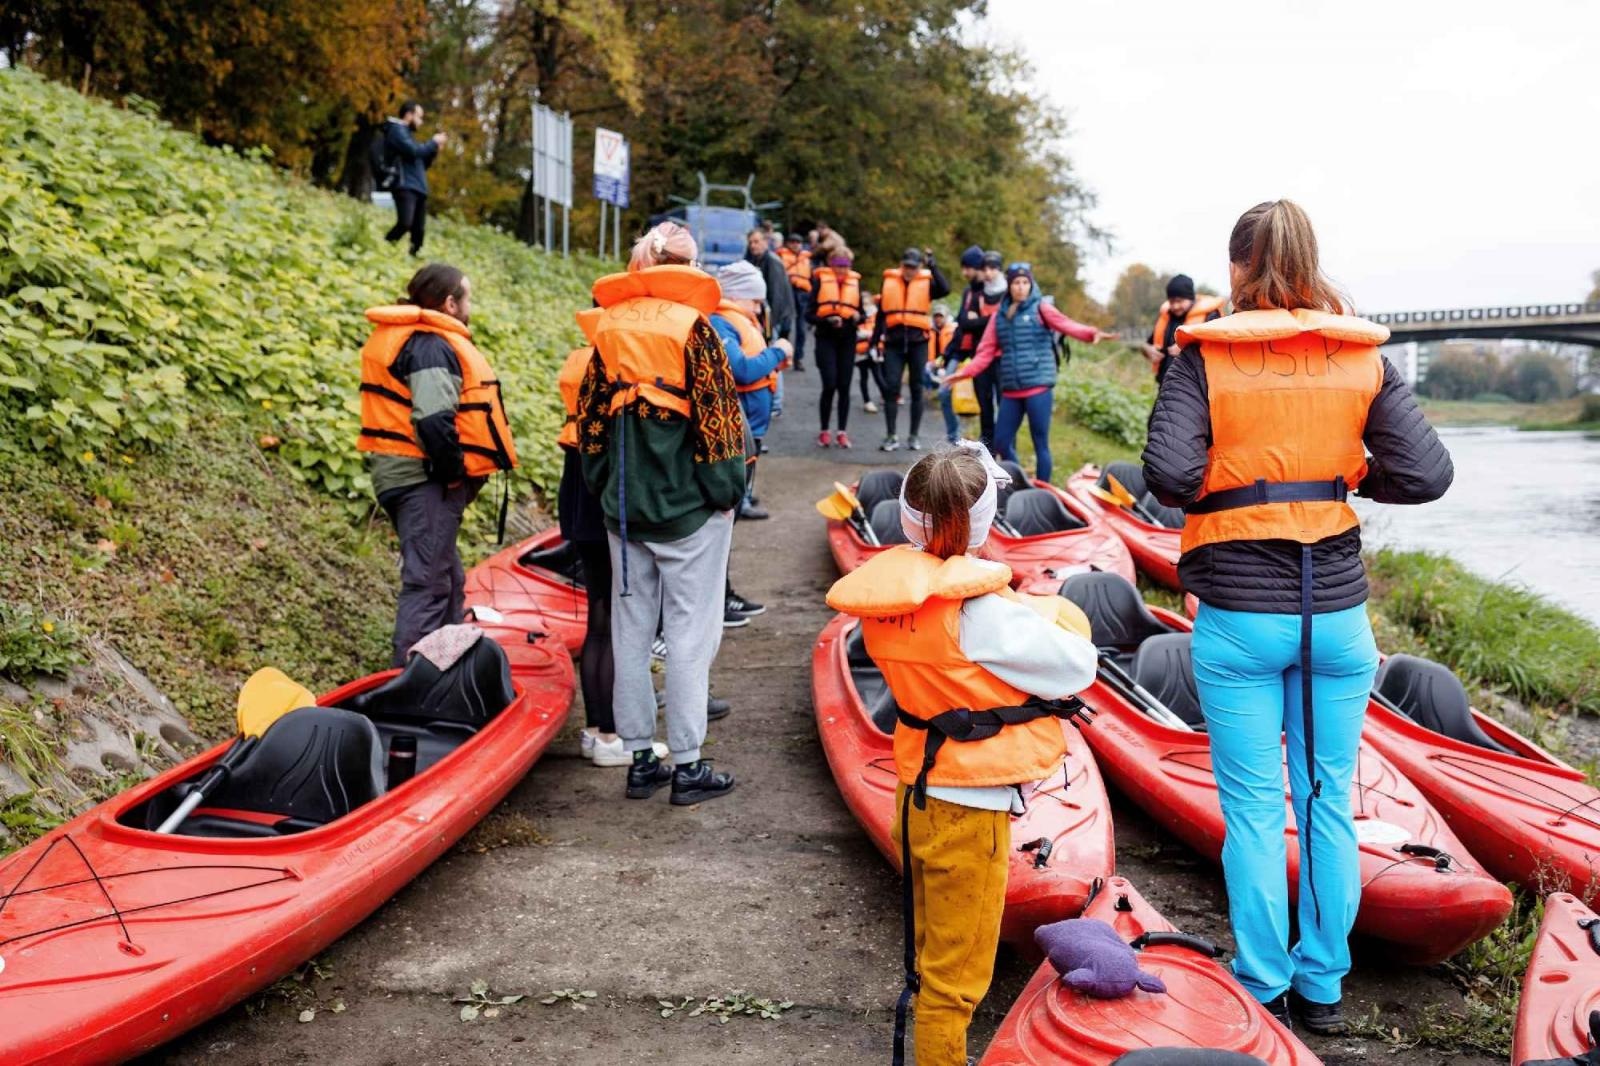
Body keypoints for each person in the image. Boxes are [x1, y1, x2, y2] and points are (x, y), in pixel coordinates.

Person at [1141, 199, 1454, 1033]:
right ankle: (1323, 987)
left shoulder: (1201, 356)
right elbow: (1426, 474)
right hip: (1337, 619)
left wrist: (1241, 484)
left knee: (1250, 805)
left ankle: (1263, 978)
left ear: (1239, 266)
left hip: (1241, 613)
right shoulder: (1363, 360)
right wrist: (1342, 479)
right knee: (1325, 798)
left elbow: (1168, 474)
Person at [825, 444, 1098, 1066]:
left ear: (906, 519)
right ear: (985, 523)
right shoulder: (987, 614)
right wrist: (1054, 610)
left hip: (916, 792)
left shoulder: (889, 599)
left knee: (932, 956)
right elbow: (1075, 668)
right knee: (957, 981)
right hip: (969, 813)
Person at [576, 221, 746, 805]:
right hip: (687, 514)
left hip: (623, 515)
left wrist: (603, 490)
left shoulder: (609, 327)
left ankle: (641, 759)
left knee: (629, 633)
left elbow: (590, 426)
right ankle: (690, 764)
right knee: (689, 636)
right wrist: (727, 494)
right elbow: (720, 422)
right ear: (685, 267)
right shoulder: (692, 328)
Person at [358, 263, 518, 666]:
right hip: (420, 477)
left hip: (408, 474)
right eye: (467, 297)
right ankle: (409, 683)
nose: (469, 306)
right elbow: (432, 418)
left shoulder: (419, 340)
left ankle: (448, 670)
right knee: (429, 583)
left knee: (448, 579)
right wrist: (451, 473)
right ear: (450, 303)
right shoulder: (429, 344)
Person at [556, 317, 673, 766]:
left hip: (576, 493)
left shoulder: (580, 359)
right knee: (611, 621)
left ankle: (594, 731)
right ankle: (611, 737)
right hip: (600, 496)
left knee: (598, 619)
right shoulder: (614, 366)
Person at [941, 263, 1116, 483]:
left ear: (1030, 285)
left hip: (1038, 388)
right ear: (1010, 286)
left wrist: (1092, 334)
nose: (1021, 287)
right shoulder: (999, 317)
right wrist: (963, 373)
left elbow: (1067, 325)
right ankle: (1020, 481)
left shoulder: (1041, 308)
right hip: (1012, 391)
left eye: (1025, 282)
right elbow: (985, 352)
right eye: (1016, 282)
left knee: (1040, 442)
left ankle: (1043, 490)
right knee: (1002, 443)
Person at [711, 259, 792, 521]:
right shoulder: (721, 322)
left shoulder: (743, 319)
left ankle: (744, 493)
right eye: (755, 301)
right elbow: (741, 370)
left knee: (751, 453)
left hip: (754, 413)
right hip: (741, 411)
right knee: (742, 455)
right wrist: (778, 351)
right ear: (736, 295)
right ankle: (738, 500)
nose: (758, 308)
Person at [869, 248, 951, 451]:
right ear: (901, 264)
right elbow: (881, 314)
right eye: (906, 266)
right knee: (891, 388)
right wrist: (873, 342)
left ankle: (914, 436)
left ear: (919, 267)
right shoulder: (889, 282)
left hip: (918, 343)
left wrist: (933, 265)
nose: (909, 270)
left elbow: (945, 289)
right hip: (893, 343)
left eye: (913, 267)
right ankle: (891, 435)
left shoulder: (928, 283)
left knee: (916, 388)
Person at [809, 250, 865, 448]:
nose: (842, 270)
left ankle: (842, 431)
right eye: (839, 265)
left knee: (844, 386)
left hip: (847, 340)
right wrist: (827, 320)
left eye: (846, 266)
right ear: (831, 265)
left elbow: (863, 314)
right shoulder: (820, 282)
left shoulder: (856, 284)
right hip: (826, 338)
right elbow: (809, 314)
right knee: (830, 384)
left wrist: (858, 317)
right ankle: (824, 430)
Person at [953, 250, 1008, 446]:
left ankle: (1007, 449)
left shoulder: (1008, 293)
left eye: (993, 268)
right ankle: (988, 453)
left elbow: (1007, 322)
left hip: (1003, 358)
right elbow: (965, 323)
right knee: (985, 407)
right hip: (980, 356)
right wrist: (994, 319)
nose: (988, 273)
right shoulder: (975, 293)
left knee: (1005, 407)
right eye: (985, 269)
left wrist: (981, 320)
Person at [382, 102, 446, 256]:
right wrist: (433, 142)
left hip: (418, 186)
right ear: (409, 115)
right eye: (419, 117)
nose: (421, 122)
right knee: (405, 223)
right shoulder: (397, 131)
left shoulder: (408, 136)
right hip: (405, 185)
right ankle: (384, 247)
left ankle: (413, 259)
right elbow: (414, 151)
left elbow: (421, 163)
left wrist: (434, 150)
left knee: (419, 231)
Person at [1143, 273, 1226, 383]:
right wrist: (1147, 350)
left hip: (1196, 385)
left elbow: (1221, 349)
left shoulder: (1211, 316)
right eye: (1171, 301)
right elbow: (1146, 344)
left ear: (1190, 298)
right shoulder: (1166, 316)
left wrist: (1189, 349)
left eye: (1179, 301)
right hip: (1164, 383)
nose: (1175, 306)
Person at [744, 228, 796, 344]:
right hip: (768, 316)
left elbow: (776, 295)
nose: (752, 245)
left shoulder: (772, 261)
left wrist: (769, 326)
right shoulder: (756, 259)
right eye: (750, 242)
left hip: (776, 318)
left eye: (756, 242)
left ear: (765, 242)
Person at [777, 232, 814, 370]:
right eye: (792, 242)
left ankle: (798, 358)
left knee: (801, 328)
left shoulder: (807, 259)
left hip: (803, 293)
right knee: (785, 324)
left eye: (797, 242)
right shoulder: (780, 256)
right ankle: (782, 354)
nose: (795, 244)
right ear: (788, 243)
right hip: (788, 290)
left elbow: (811, 277)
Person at [856, 293, 883, 415]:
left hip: (874, 350)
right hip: (860, 351)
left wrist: (871, 335)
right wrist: (868, 334)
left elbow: (880, 331)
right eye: (864, 303)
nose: (866, 306)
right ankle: (867, 401)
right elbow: (856, 332)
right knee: (864, 376)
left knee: (878, 375)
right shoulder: (859, 315)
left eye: (868, 303)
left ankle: (886, 395)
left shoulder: (877, 315)